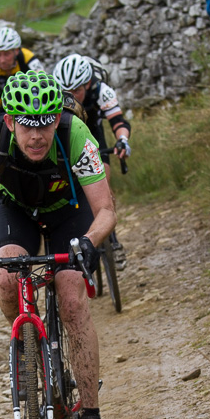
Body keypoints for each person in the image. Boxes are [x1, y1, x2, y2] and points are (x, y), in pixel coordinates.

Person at [0, 70, 116, 419]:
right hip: (17, 211)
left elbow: (106, 210)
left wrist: (89, 242)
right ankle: (28, 344)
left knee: (72, 298)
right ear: (10, 121)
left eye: (44, 124)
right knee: (8, 280)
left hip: (69, 211)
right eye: (27, 126)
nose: (37, 135)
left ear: (56, 119)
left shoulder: (75, 134)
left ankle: (91, 413)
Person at [52, 53, 131, 268]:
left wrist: (122, 140)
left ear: (88, 84)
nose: (72, 97)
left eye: (77, 90)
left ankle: (112, 241)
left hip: (93, 136)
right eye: (66, 92)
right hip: (66, 135)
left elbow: (118, 121)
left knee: (104, 184)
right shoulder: (54, 93)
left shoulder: (101, 91)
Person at [0, 26, 43, 122]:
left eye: (7, 54)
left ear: (16, 51)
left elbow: (43, 85)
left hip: (24, 104)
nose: (2, 60)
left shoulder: (27, 57)